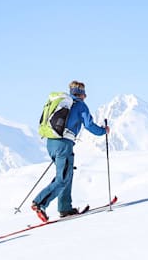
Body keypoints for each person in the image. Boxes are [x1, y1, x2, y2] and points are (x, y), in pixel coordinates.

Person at [30, 81, 108, 222]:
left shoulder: (64, 103)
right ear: (82, 93)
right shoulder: (80, 106)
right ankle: (40, 203)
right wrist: (103, 131)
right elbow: (89, 125)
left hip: (51, 142)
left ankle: (65, 208)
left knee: (67, 173)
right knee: (63, 178)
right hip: (64, 144)